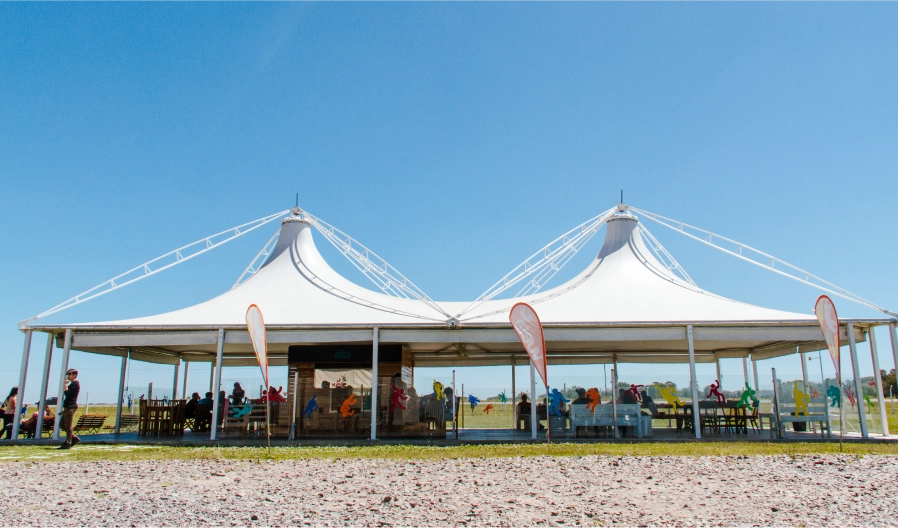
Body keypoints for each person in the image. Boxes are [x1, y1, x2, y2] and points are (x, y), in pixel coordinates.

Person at [59, 369, 80, 449]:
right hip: (67, 407)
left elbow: (68, 394)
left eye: (70, 374)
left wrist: (65, 385)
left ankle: (68, 442)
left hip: (70, 407)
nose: (68, 376)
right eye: (68, 374)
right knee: (62, 425)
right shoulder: (73, 384)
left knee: (68, 426)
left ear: (75, 375)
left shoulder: (75, 384)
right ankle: (74, 438)